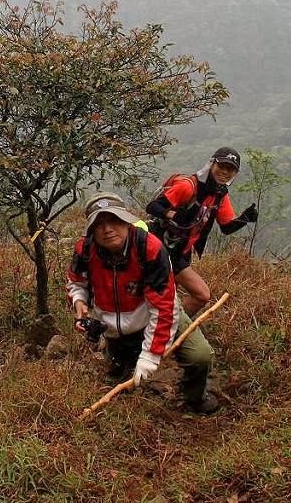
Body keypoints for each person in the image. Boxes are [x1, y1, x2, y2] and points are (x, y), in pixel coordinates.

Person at [66, 192, 219, 414]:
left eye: (114, 220)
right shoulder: (85, 250)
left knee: (200, 357)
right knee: (122, 381)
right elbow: (76, 281)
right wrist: (79, 301)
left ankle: (194, 398)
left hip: (155, 313)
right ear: (91, 229)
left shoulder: (149, 248)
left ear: (126, 221)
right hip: (115, 329)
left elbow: (163, 307)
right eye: (99, 224)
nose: (107, 229)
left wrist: (151, 355)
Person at [146, 146, 258, 314]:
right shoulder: (189, 186)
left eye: (230, 169)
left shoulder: (220, 194)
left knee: (165, 296)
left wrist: (245, 218)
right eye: (221, 166)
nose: (224, 172)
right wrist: (174, 215)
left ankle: (167, 324)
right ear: (212, 164)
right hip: (163, 246)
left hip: (182, 250)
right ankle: (172, 325)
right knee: (201, 295)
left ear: (235, 173)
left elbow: (226, 227)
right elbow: (153, 206)